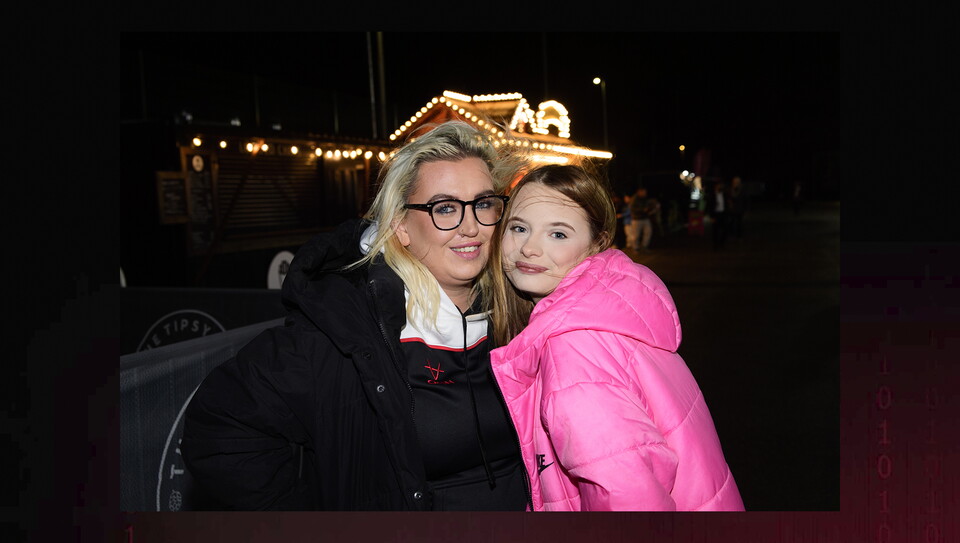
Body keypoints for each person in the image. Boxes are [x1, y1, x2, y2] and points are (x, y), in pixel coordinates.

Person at [181, 121, 530, 511]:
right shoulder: (351, 327)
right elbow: (219, 427)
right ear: (401, 226)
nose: (471, 226)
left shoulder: (524, 309)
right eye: (444, 208)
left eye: (484, 204)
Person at [488, 164, 744, 511]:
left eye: (558, 234)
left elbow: (628, 499)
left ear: (598, 243)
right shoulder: (614, 312)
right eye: (519, 228)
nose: (530, 248)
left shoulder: (574, 347)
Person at [628, 186, 658, 252]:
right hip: (637, 219)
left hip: (645, 218)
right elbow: (632, 208)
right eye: (644, 192)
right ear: (639, 192)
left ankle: (644, 246)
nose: (645, 193)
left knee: (648, 232)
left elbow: (648, 206)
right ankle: (635, 248)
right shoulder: (634, 199)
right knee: (636, 235)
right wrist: (642, 210)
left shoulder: (644, 198)